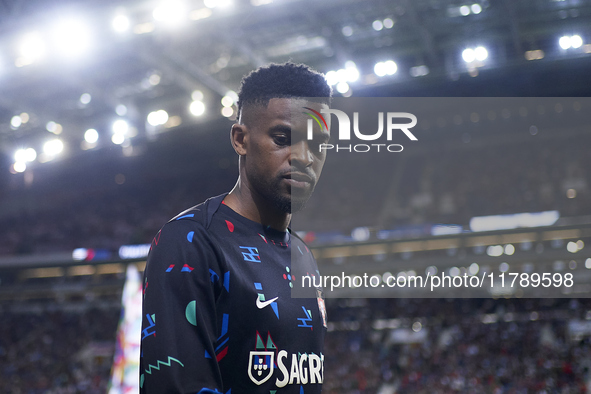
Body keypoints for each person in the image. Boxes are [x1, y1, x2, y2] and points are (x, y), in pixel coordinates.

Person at [140, 62, 332, 393]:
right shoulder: (190, 242)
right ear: (240, 139)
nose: (304, 156)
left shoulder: (301, 253)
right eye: (283, 137)